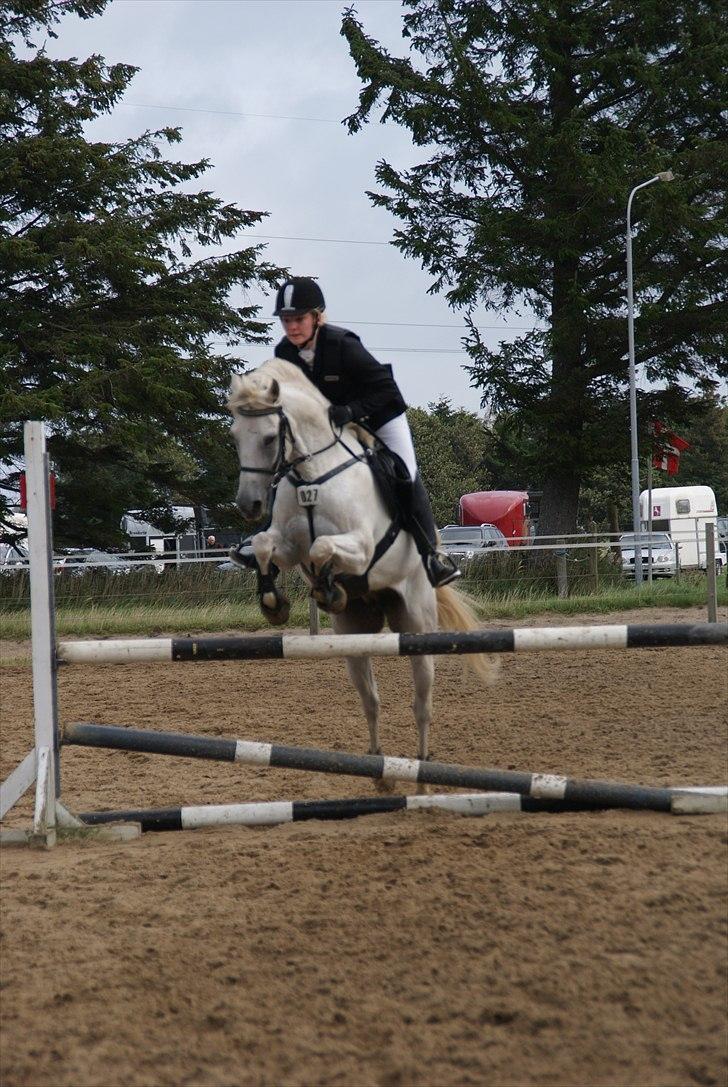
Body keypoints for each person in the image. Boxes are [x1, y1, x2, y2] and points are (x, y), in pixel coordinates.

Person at [270, 276, 460, 588]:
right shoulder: (285, 354)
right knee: (285, 469)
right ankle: (268, 549)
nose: (292, 327)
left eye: (299, 319)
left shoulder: (343, 345)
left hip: (381, 416)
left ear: (317, 317)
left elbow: (387, 389)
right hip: (333, 428)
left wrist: (352, 411)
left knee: (404, 473)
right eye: (286, 320)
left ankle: (432, 557)